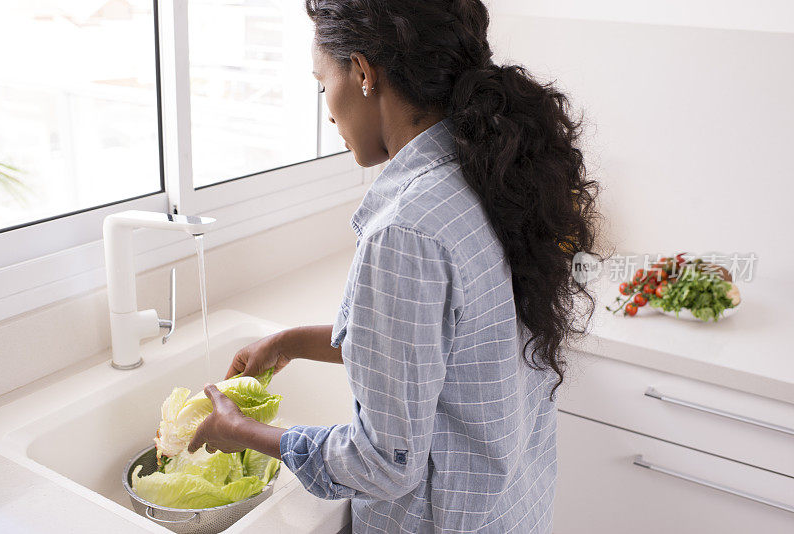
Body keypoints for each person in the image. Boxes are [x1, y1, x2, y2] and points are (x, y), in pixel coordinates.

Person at [188, 1, 602, 532]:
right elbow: (439, 351)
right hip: (512, 511)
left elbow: (383, 465)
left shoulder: (404, 231)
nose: (328, 111)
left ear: (362, 72)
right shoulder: (491, 172)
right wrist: (290, 341)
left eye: (322, 85)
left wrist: (239, 431)